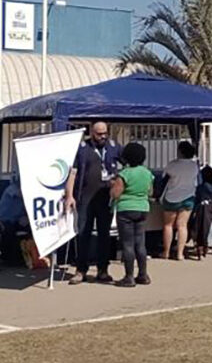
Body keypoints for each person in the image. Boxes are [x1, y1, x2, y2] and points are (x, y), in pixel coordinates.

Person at [65, 121, 122, 285]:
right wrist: (70, 195)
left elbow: (129, 163)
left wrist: (119, 182)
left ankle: (103, 270)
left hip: (105, 198)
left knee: (104, 235)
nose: (103, 136)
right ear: (92, 132)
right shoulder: (82, 148)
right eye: (99, 134)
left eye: (105, 133)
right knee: (83, 233)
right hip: (85, 198)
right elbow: (73, 173)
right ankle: (80, 270)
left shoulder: (113, 146)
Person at [110, 142, 153, 287]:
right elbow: (150, 192)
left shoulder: (125, 173)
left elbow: (116, 194)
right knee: (140, 243)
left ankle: (129, 277)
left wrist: (112, 185)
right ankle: (143, 274)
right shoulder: (147, 173)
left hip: (126, 210)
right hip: (143, 208)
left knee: (128, 244)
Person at [160, 141, 200, 261]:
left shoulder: (173, 165)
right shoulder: (194, 165)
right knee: (182, 226)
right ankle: (180, 254)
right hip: (188, 198)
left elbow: (164, 179)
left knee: (168, 225)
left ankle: (166, 252)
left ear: (180, 152)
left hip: (171, 197)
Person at [190, 165, 212, 258]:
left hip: (202, 210)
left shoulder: (203, 186)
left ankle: (198, 243)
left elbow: (197, 198)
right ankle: (203, 245)